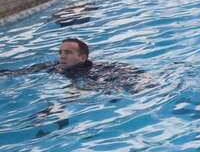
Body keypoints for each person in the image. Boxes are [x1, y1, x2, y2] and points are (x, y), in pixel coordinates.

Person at [0, 37, 149, 92]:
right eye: (61, 52)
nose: (62, 56)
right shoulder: (52, 67)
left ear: (83, 58)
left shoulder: (95, 69)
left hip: (109, 80)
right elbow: (18, 72)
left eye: (68, 52)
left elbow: (126, 71)